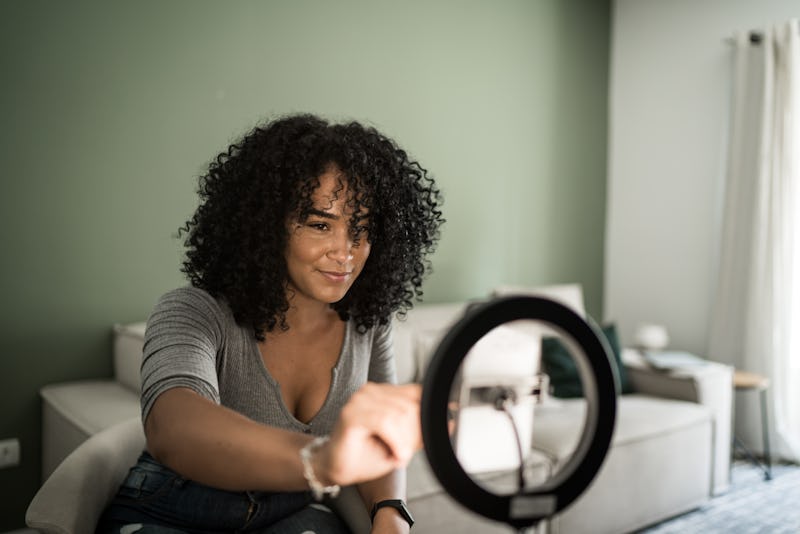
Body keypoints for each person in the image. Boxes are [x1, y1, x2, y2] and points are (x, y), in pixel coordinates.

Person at [96, 114, 444, 533]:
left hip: (289, 513)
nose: (345, 252)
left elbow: (380, 440)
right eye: (320, 225)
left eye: (362, 229)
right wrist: (320, 458)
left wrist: (391, 512)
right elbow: (172, 427)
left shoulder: (368, 322)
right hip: (170, 508)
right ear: (265, 224)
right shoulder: (192, 311)